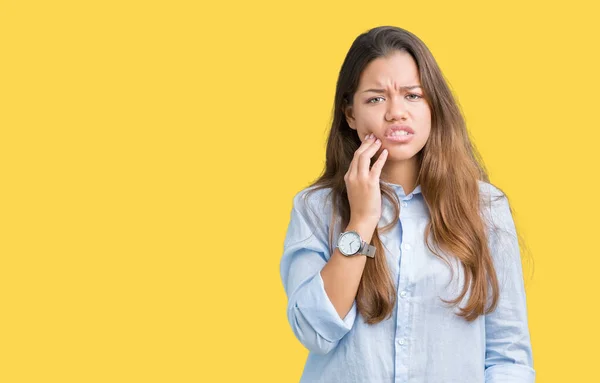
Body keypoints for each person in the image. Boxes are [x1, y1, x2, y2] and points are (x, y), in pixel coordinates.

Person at [279, 26, 535, 382]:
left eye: (412, 96)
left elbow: (508, 356)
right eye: (376, 99)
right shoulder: (316, 208)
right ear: (350, 114)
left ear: (433, 105)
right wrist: (361, 220)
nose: (396, 112)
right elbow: (315, 333)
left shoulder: (485, 207)